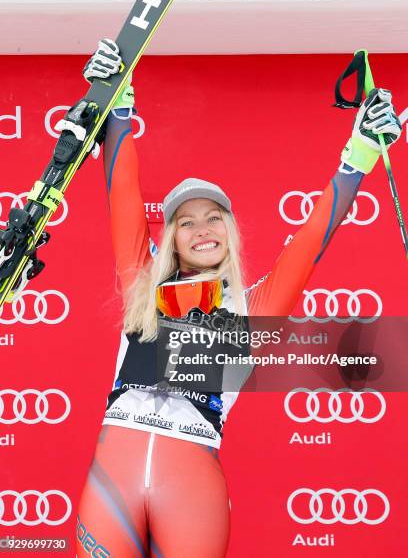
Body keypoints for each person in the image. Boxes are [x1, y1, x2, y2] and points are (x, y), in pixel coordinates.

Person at [76, 39, 402, 558]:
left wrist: (359, 152)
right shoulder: (144, 287)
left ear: (230, 231)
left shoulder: (253, 310)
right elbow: (122, 192)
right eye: (186, 221)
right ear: (172, 238)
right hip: (113, 474)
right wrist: (117, 104)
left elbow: (312, 241)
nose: (202, 229)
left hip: (191, 487)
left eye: (214, 218)